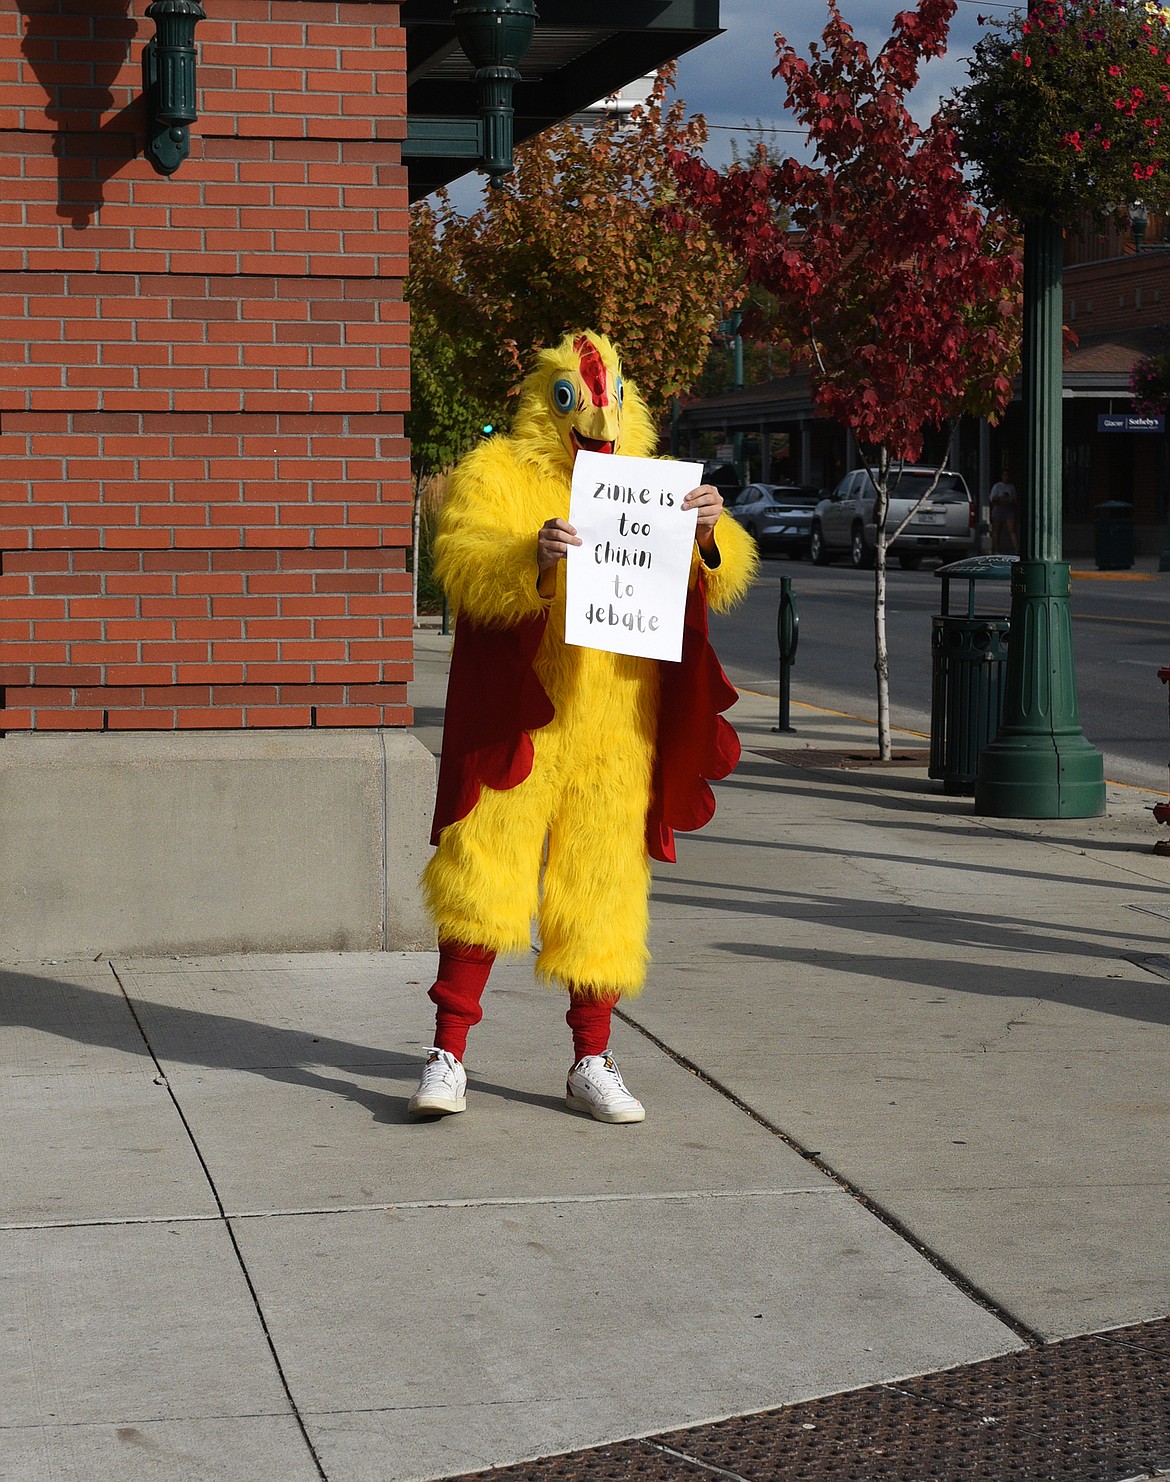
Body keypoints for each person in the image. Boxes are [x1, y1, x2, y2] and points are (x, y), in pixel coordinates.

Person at [408, 329, 756, 1125]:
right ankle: (449, 1052)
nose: (597, 423)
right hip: (522, 718)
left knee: (601, 890)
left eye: (610, 405)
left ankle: (591, 1059)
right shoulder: (499, 473)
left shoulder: (653, 484)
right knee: (482, 874)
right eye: (575, 402)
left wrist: (709, 535)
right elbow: (464, 561)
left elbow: (723, 572)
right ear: (549, 401)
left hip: (616, 724)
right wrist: (529, 559)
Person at [989, 470, 1018, 554]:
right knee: (997, 529)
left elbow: (1014, 499)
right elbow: (992, 498)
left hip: (1008, 508)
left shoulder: (1011, 487)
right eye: (1004, 475)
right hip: (999, 508)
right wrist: (1000, 497)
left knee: (1012, 529)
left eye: (1007, 475)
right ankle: (997, 548)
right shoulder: (997, 486)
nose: (1006, 477)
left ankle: (1016, 548)